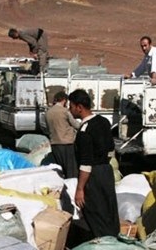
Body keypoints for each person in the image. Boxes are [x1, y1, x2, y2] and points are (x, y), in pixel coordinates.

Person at [68, 89, 120, 240]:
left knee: (95, 212)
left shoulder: (84, 131)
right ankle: (113, 238)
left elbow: (86, 164)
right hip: (106, 172)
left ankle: (103, 243)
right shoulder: (103, 122)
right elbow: (111, 149)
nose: (70, 110)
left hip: (93, 176)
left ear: (79, 107)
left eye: (71, 106)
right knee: (109, 210)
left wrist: (80, 189)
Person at [45, 91, 80, 179]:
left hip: (55, 144)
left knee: (60, 169)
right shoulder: (65, 111)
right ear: (64, 100)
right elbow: (75, 124)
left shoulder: (48, 112)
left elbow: (46, 128)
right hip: (67, 144)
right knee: (71, 170)